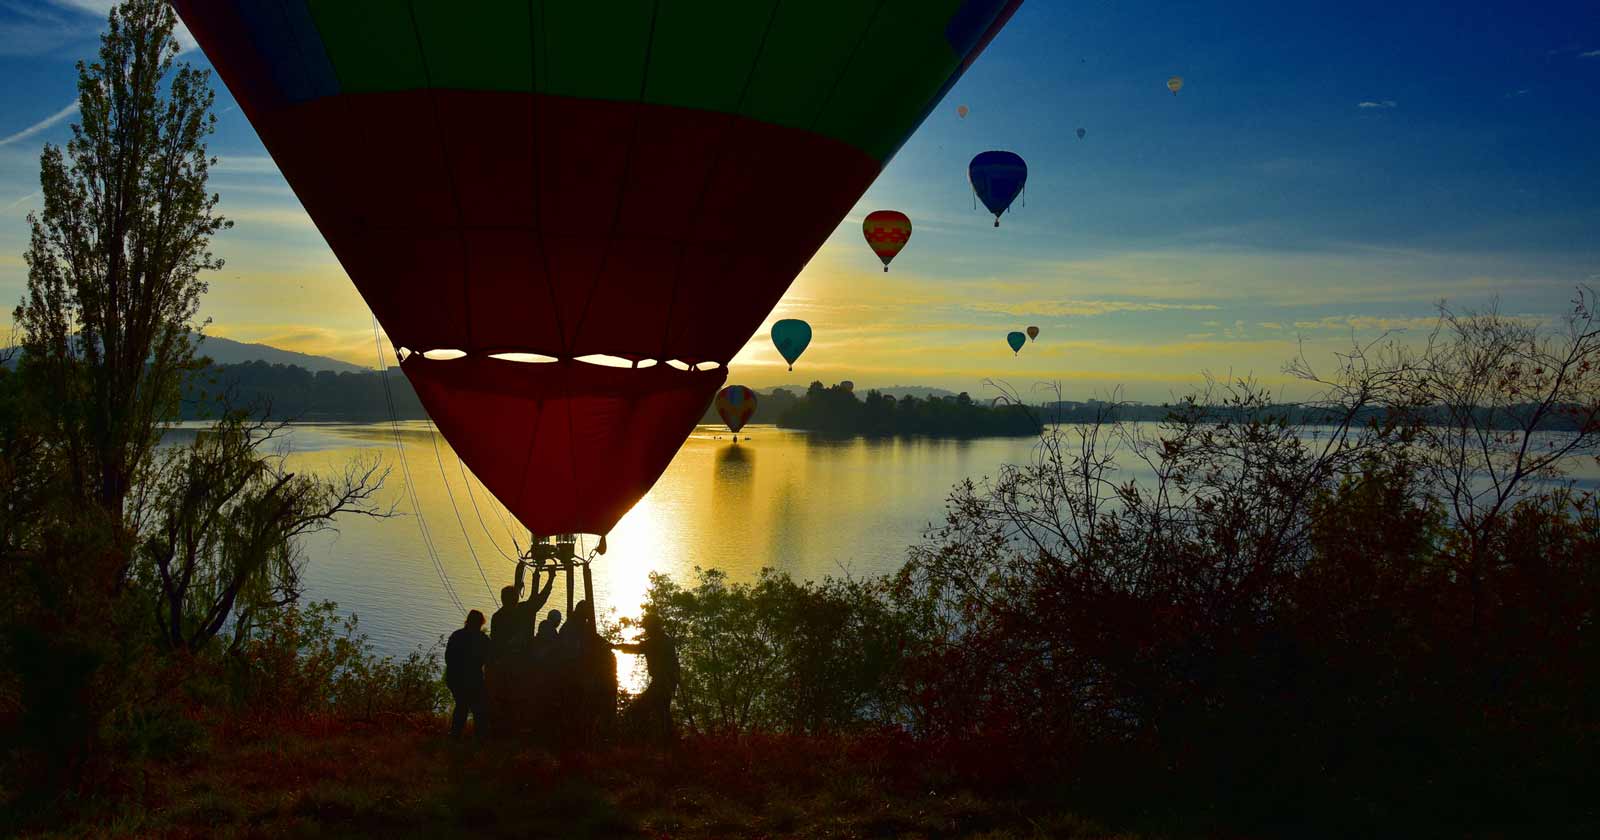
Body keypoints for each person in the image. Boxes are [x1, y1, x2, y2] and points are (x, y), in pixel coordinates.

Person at [612, 612, 680, 742]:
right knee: (662, 713)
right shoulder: (666, 640)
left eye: (647, 628)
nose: (646, 630)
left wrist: (616, 646)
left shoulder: (656, 642)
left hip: (661, 683)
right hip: (667, 683)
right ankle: (669, 741)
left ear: (653, 627)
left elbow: (637, 648)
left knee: (638, 712)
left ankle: (655, 743)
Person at [491, 560, 555, 660]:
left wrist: (521, 567)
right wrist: (550, 579)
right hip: (522, 659)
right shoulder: (523, 610)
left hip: (504, 660)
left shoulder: (497, 616)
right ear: (516, 599)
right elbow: (541, 599)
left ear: (502, 599)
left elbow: (494, 641)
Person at [444, 610, 491, 738]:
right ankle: (479, 738)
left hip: (455, 678)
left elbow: (448, 658)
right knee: (478, 709)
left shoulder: (456, 635)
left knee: (461, 707)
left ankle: (455, 735)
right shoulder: (483, 639)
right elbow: (489, 660)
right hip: (473, 679)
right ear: (481, 623)